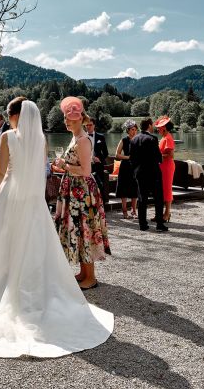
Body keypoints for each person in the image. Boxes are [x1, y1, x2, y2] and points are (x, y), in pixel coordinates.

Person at [0, 97, 113, 358]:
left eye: (9, 115)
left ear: (13, 116)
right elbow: (40, 173)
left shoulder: (8, 136)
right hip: (34, 202)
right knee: (34, 246)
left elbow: (0, 173)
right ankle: (33, 289)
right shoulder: (41, 140)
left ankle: (8, 288)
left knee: (7, 245)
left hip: (11, 198)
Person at [52, 96, 111, 290]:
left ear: (79, 119)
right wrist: (64, 168)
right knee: (77, 229)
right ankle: (84, 272)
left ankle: (91, 277)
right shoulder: (75, 137)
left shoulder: (84, 140)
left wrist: (64, 165)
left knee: (85, 229)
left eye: (69, 119)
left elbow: (85, 171)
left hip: (82, 192)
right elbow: (75, 165)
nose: (66, 122)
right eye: (65, 118)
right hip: (73, 189)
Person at [129, 118, 167, 232]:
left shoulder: (134, 139)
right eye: (152, 125)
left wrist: (135, 170)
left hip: (140, 173)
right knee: (158, 198)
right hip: (153, 172)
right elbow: (158, 157)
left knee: (142, 198)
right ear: (149, 125)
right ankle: (159, 224)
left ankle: (142, 224)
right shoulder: (153, 139)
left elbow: (132, 158)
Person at [114, 119, 139, 219]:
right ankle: (124, 211)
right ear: (128, 130)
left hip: (135, 167)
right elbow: (117, 155)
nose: (134, 131)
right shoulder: (124, 140)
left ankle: (134, 210)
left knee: (135, 189)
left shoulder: (139, 140)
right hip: (125, 167)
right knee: (124, 189)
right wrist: (128, 157)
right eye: (132, 129)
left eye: (135, 129)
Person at [155, 116, 175, 223]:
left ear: (164, 128)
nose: (158, 129)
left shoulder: (168, 137)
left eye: (159, 128)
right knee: (162, 190)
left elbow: (171, 155)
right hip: (162, 166)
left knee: (167, 189)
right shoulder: (164, 137)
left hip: (167, 167)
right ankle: (162, 213)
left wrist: (158, 156)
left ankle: (167, 213)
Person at [85, 116, 109, 203]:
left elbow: (106, 153)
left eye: (90, 125)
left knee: (100, 185)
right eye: (86, 125)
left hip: (98, 165)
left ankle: (101, 205)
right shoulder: (82, 137)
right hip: (86, 165)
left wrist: (99, 159)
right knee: (87, 186)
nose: (88, 127)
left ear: (94, 125)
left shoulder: (101, 137)